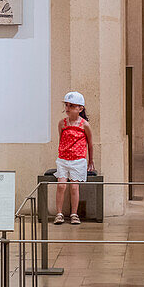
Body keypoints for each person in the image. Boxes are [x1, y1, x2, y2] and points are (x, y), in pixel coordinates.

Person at [53, 91, 94, 226]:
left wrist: (90, 161)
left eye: (71, 105)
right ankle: (59, 213)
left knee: (74, 187)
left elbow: (90, 143)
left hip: (78, 160)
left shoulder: (84, 125)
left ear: (80, 108)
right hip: (64, 159)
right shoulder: (62, 124)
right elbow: (61, 140)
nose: (68, 108)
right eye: (67, 105)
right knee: (61, 185)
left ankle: (74, 214)